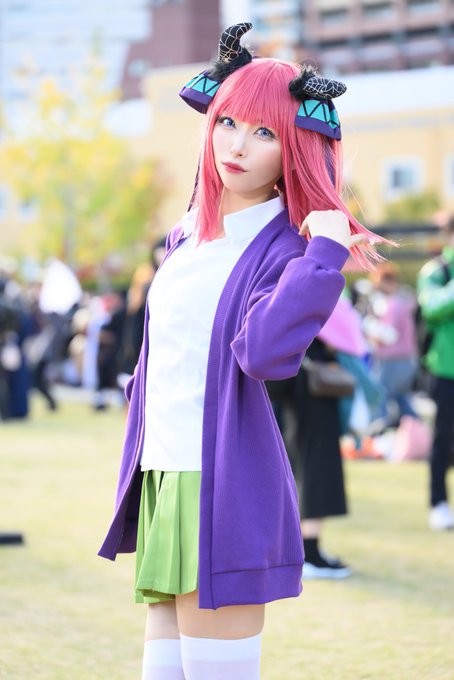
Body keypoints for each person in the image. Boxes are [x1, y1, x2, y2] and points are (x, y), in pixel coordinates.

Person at [98, 23, 380, 679]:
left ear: (294, 146)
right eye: (228, 123)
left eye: (264, 132)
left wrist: (324, 256)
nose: (238, 145)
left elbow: (264, 354)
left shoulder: (287, 246)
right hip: (164, 474)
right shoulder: (186, 234)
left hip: (223, 482)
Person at [417, 215, 454, 531]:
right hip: (445, 369)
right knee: (443, 438)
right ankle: (439, 503)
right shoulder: (437, 271)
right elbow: (431, 307)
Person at [366, 262, 418, 431]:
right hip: (407, 359)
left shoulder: (392, 305)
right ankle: (418, 431)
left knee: (380, 398)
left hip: (391, 360)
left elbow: (390, 336)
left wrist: (369, 333)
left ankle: (378, 434)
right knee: (402, 400)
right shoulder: (404, 302)